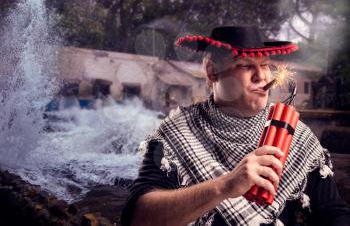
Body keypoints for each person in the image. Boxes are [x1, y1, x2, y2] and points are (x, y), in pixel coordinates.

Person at [121, 26, 350, 225]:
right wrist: (224, 186)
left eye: (265, 65)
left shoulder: (295, 134)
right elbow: (138, 218)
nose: (261, 76)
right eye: (245, 65)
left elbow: (334, 214)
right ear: (212, 72)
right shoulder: (175, 133)